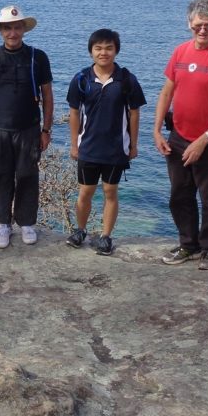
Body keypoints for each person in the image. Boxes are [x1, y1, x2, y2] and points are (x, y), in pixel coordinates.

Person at [152, 0, 208, 271]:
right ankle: (188, 244)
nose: (203, 30)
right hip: (178, 136)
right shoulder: (180, 53)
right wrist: (156, 130)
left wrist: (204, 140)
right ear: (189, 23)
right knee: (180, 194)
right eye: (198, 25)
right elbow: (167, 92)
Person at [0, 5, 53, 248]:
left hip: (30, 129)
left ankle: (26, 222)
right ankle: (3, 224)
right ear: (0, 30)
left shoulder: (37, 57)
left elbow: (48, 94)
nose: (12, 32)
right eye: (7, 28)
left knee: (28, 175)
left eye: (17, 27)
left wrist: (46, 130)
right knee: (0, 176)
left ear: (23, 29)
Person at [66, 29, 146, 256]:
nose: (103, 53)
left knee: (111, 191)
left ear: (116, 50)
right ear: (91, 51)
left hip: (115, 148)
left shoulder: (127, 80)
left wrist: (133, 145)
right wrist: (74, 144)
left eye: (109, 48)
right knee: (85, 192)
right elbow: (74, 113)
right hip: (88, 147)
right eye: (98, 48)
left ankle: (105, 236)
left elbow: (134, 113)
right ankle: (80, 230)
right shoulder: (81, 79)